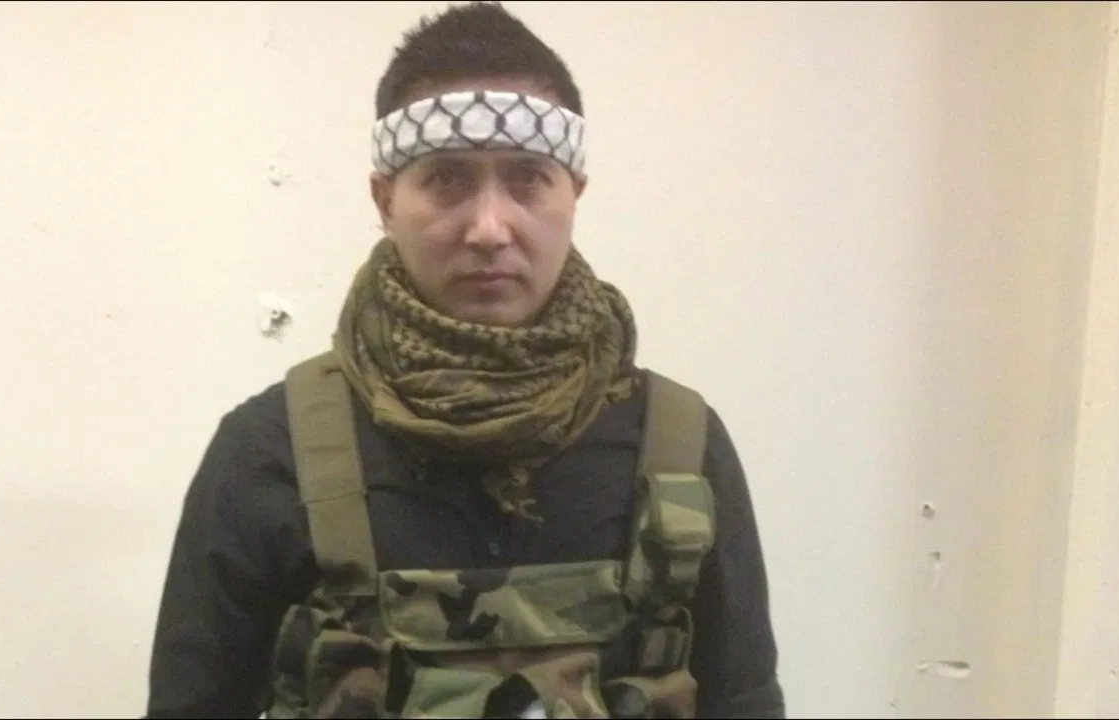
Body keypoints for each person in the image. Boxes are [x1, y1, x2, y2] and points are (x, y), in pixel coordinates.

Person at [144, 2, 784, 718]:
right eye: (447, 179)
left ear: (574, 193)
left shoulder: (682, 450)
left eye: (527, 179)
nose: (489, 227)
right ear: (385, 198)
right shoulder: (272, 451)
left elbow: (745, 701)